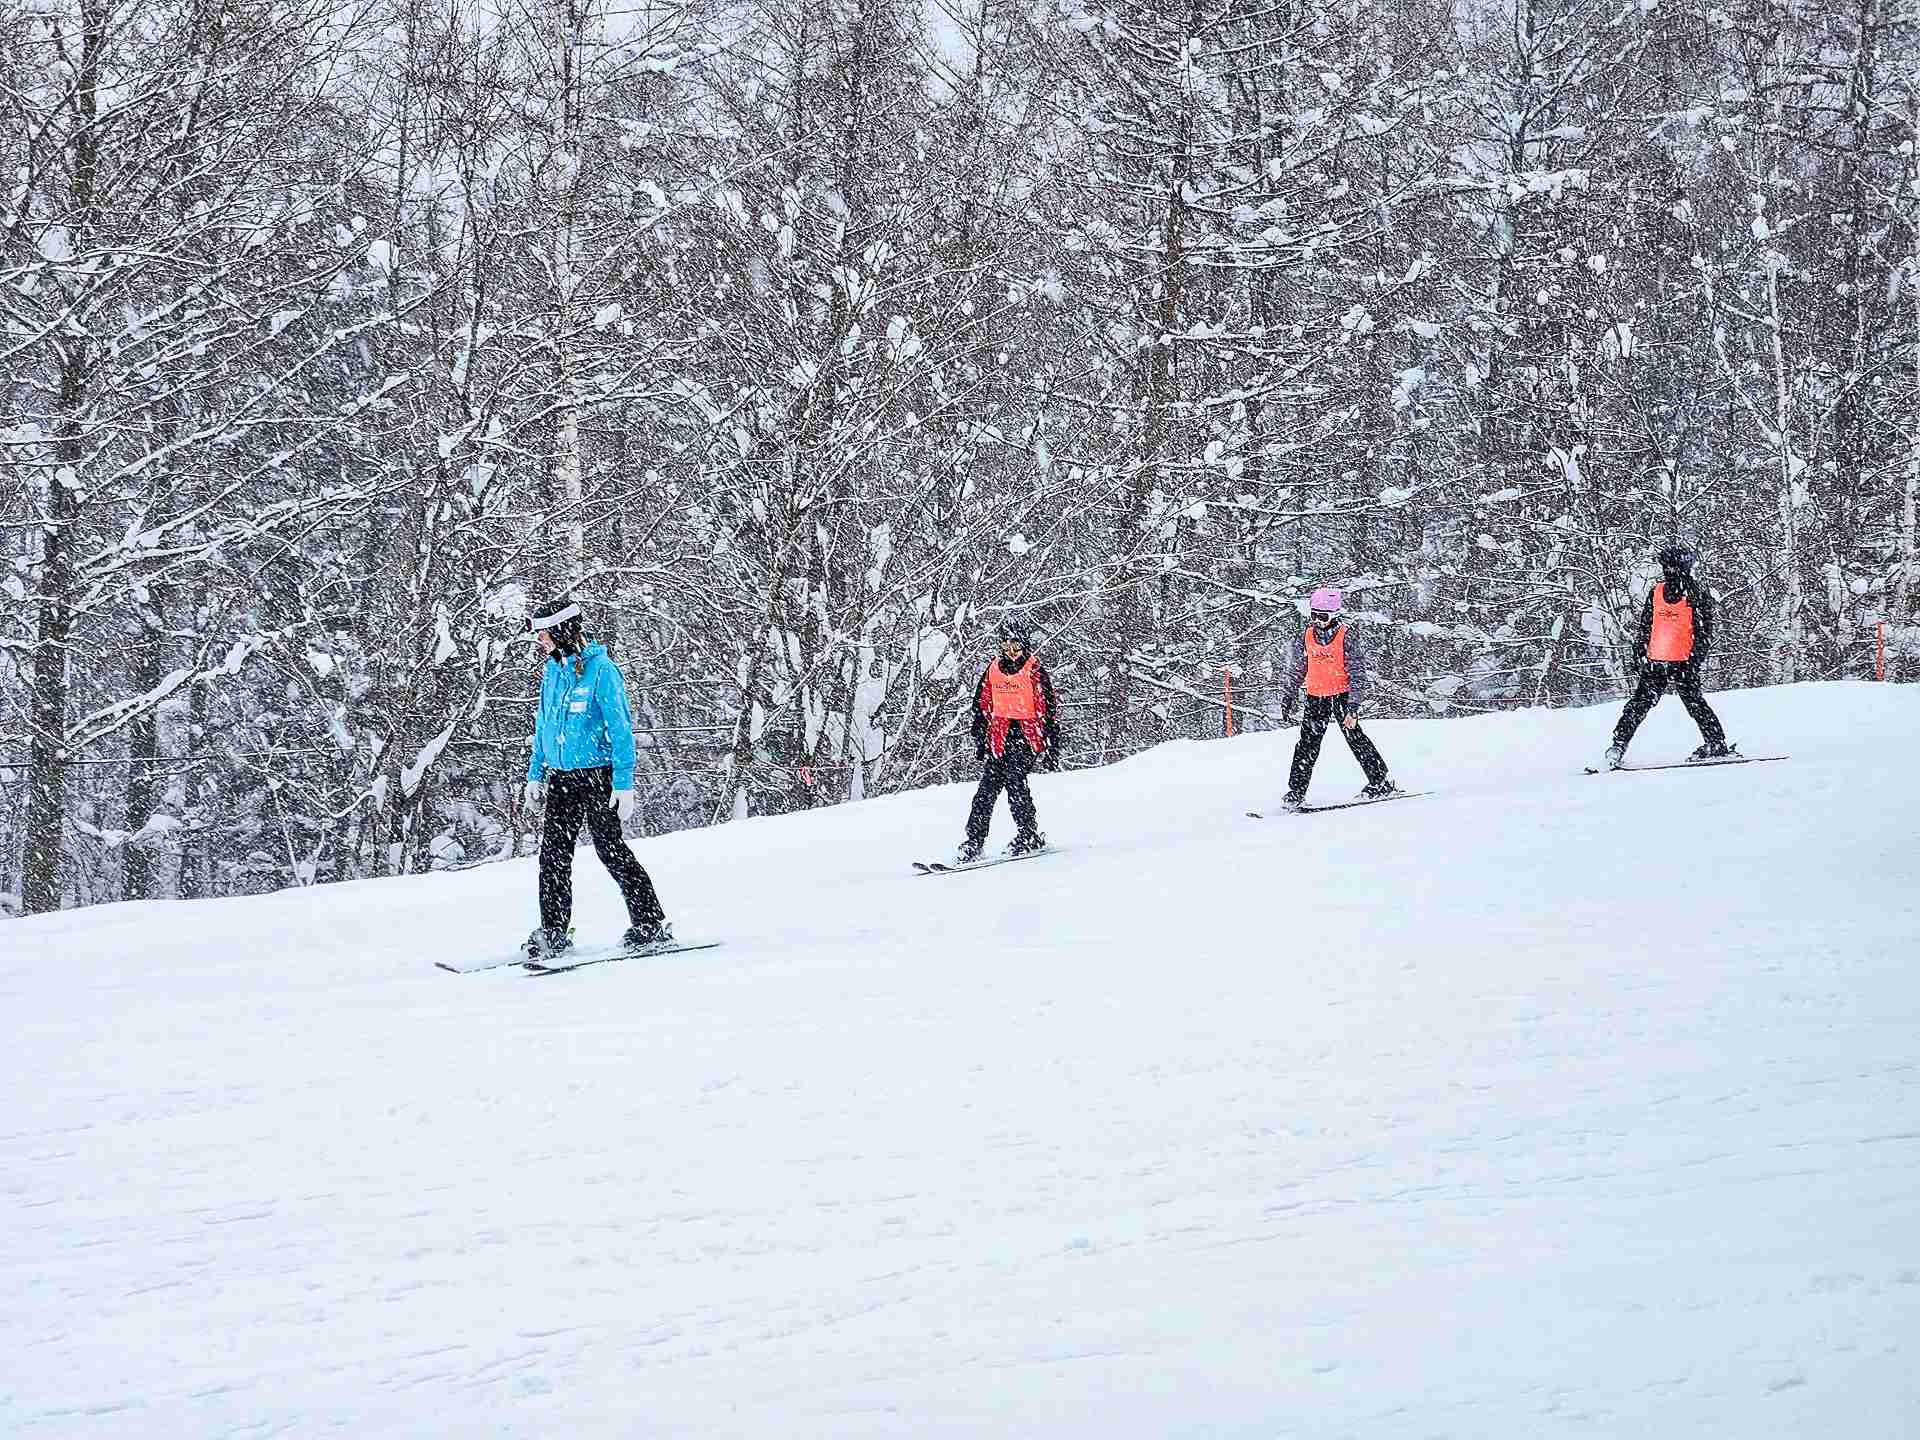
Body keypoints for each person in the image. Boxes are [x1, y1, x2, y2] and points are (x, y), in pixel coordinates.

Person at [521, 596, 671, 960]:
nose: (540, 642)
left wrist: (624, 782)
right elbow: (543, 725)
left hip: (598, 777)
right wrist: (535, 773)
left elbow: (621, 729)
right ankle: (553, 932)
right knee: (553, 855)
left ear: (562, 631)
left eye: (544, 634)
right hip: (561, 778)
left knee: (610, 850)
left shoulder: (602, 670)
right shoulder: (552, 671)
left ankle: (649, 922)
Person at [1603, 544, 1733, 768]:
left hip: (1682, 662)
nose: (1670, 571)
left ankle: (1716, 742)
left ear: (1684, 566)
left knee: (1692, 704)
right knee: (1640, 705)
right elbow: (1646, 626)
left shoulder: (1696, 593)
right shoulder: (1657, 592)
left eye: (1673, 566)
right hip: (1656, 662)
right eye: (1666, 566)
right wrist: (1639, 654)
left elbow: (1704, 632)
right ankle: (1617, 746)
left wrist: (1693, 661)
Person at [1277, 587, 1394, 809]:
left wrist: (1353, 706)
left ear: (1335, 615)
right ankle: (1296, 791)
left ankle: (1380, 781)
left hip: (1342, 696)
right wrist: (1289, 695)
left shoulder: (1346, 636)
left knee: (1355, 739)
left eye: (1323, 616)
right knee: (1307, 744)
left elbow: (1357, 671)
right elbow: (1298, 668)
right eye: (1314, 616)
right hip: (1316, 697)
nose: (1318, 621)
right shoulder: (1307, 635)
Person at [957, 619, 1063, 863]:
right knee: (986, 790)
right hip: (1000, 738)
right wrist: (981, 740)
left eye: (1015, 645)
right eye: (1005, 645)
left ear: (1024, 644)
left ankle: (1028, 835)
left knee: (1015, 782)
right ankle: (974, 841)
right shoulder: (993, 670)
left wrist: (1051, 747)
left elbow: (1049, 710)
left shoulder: (1035, 671)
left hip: (1027, 737)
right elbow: (981, 707)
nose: (1010, 651)